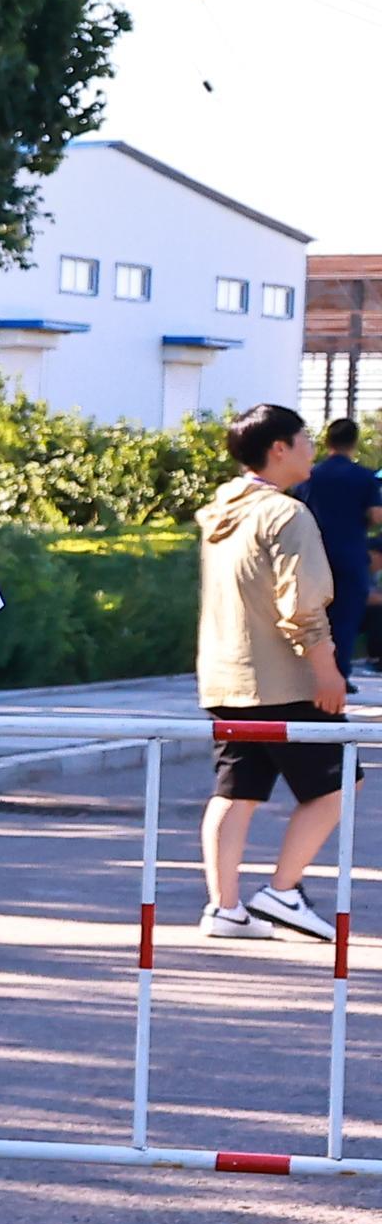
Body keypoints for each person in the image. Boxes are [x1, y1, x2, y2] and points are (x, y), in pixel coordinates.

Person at [196, 400, 352, 941]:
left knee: (235, 791)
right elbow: (302, 602)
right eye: (305, 440)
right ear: (279, 448)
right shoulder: (287, 514)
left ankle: (224, 908)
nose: (312, 450)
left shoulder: (221, 512)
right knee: (338, 785)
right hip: (285, 679)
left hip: (225, 676)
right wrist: (327, 670)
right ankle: (283, 892)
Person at [304, 416, 378, 683]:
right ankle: (339, 676)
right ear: (354, 442)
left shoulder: (310, 475)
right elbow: (376, 514)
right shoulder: (364, 477)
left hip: (313, 555)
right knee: (346, 618)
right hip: (351, 554)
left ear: (327, 442)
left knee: (313, 616)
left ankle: (312, 674)